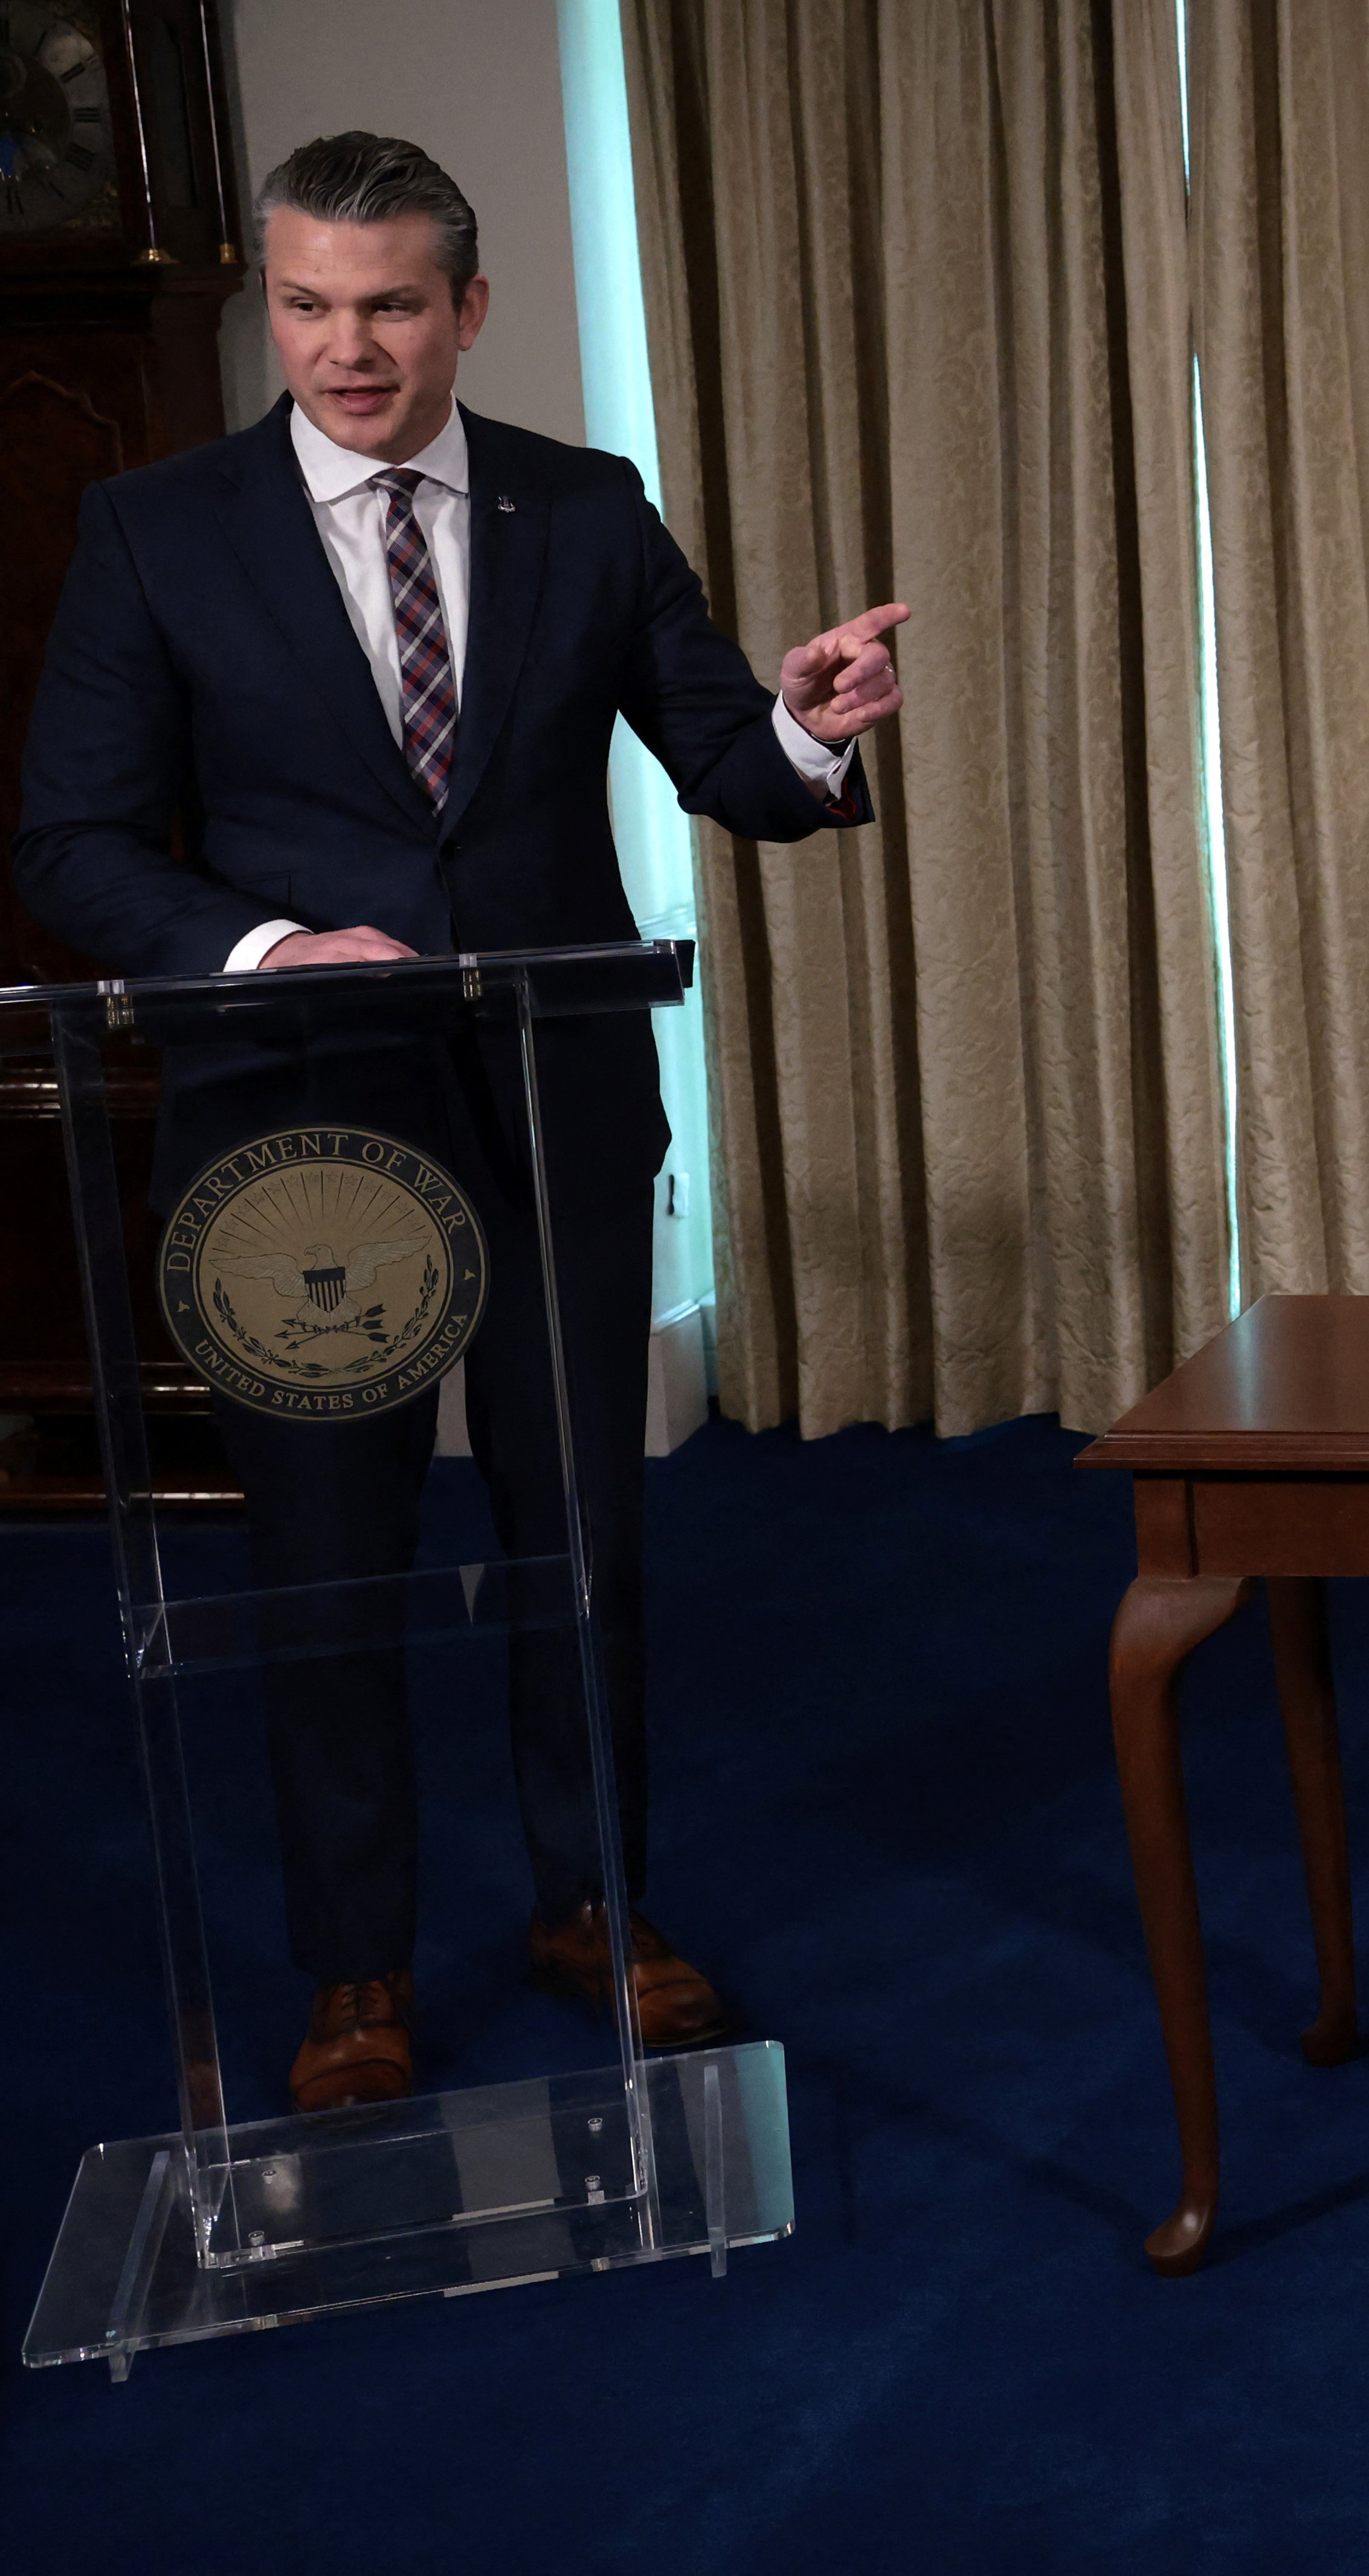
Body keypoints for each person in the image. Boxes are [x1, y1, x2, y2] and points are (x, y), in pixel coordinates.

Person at [15, 132, 904, 2112]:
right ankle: (359, 1966)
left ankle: (595, 1900)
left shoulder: (586, 507)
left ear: (468, 308)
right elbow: (71, 841)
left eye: (392, 306)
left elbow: (725, 756)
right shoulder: (157, 528)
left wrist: (803, 727)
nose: (348, 348)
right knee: (329, 1558)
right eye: (310, 305)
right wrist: (265, 946)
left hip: (548, 1105)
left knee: (580, 1533)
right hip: (294, 1141)